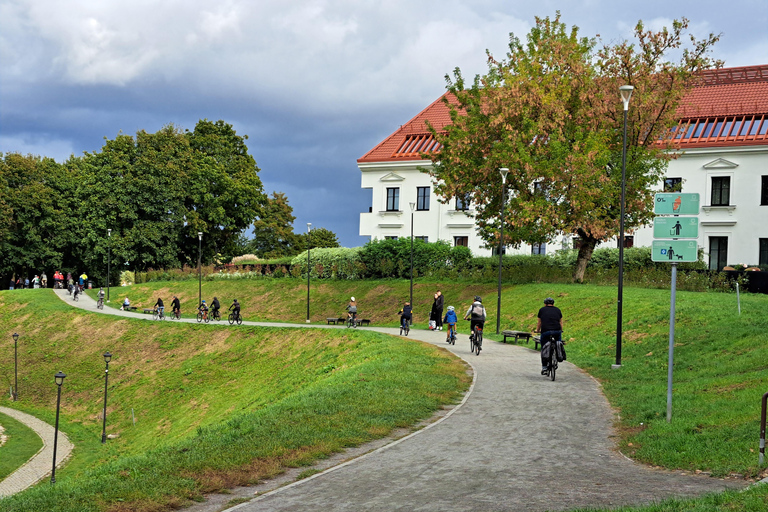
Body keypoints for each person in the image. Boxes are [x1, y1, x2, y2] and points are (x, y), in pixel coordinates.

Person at [536, 297, 563, 375]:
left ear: (545, 304)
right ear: (553, 304)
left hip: (546, 331)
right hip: (557, 331)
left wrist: (537, 330)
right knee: (558, 344)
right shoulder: (558, 310)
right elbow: (560, 322)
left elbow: (539, 322)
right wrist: (561, 330)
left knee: (544, 348)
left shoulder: (542, 310)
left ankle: (544, 367)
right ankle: (558, 355)